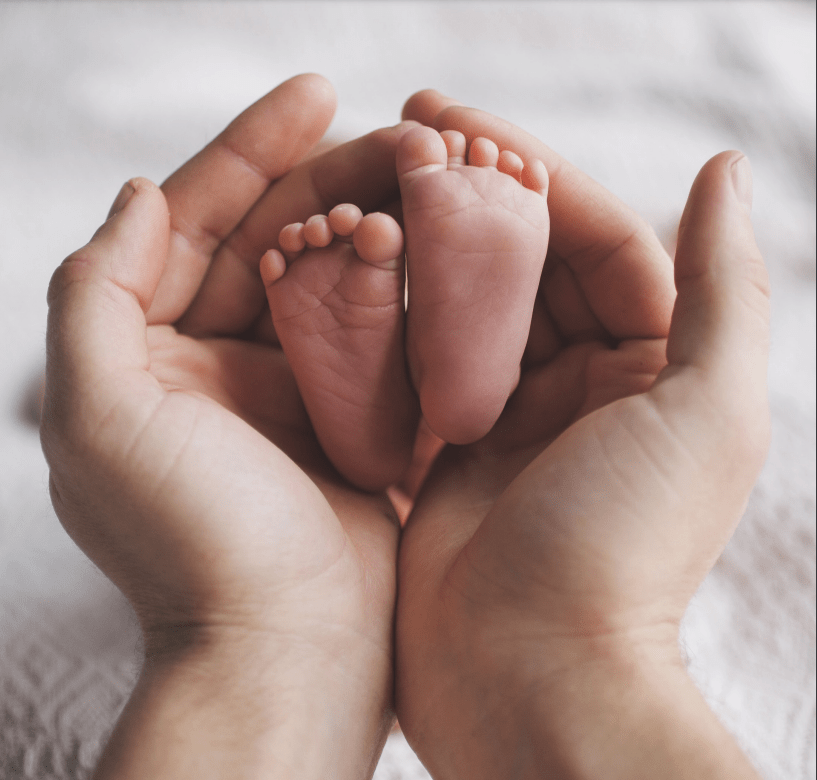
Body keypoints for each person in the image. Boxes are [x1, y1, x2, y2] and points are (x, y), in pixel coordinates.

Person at [39, 74, 768, 779]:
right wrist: (564, 643)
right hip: (515, 454)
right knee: (481, 372)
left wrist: (260, 635)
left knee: (300, 344)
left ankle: (378, 424)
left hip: (299, 446)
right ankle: (462, 390)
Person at [261, 126, 549, 490]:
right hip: (482, 464)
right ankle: (475, 378)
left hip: (324, 463)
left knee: (318, 253)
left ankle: (374, 434)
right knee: (467, 352)